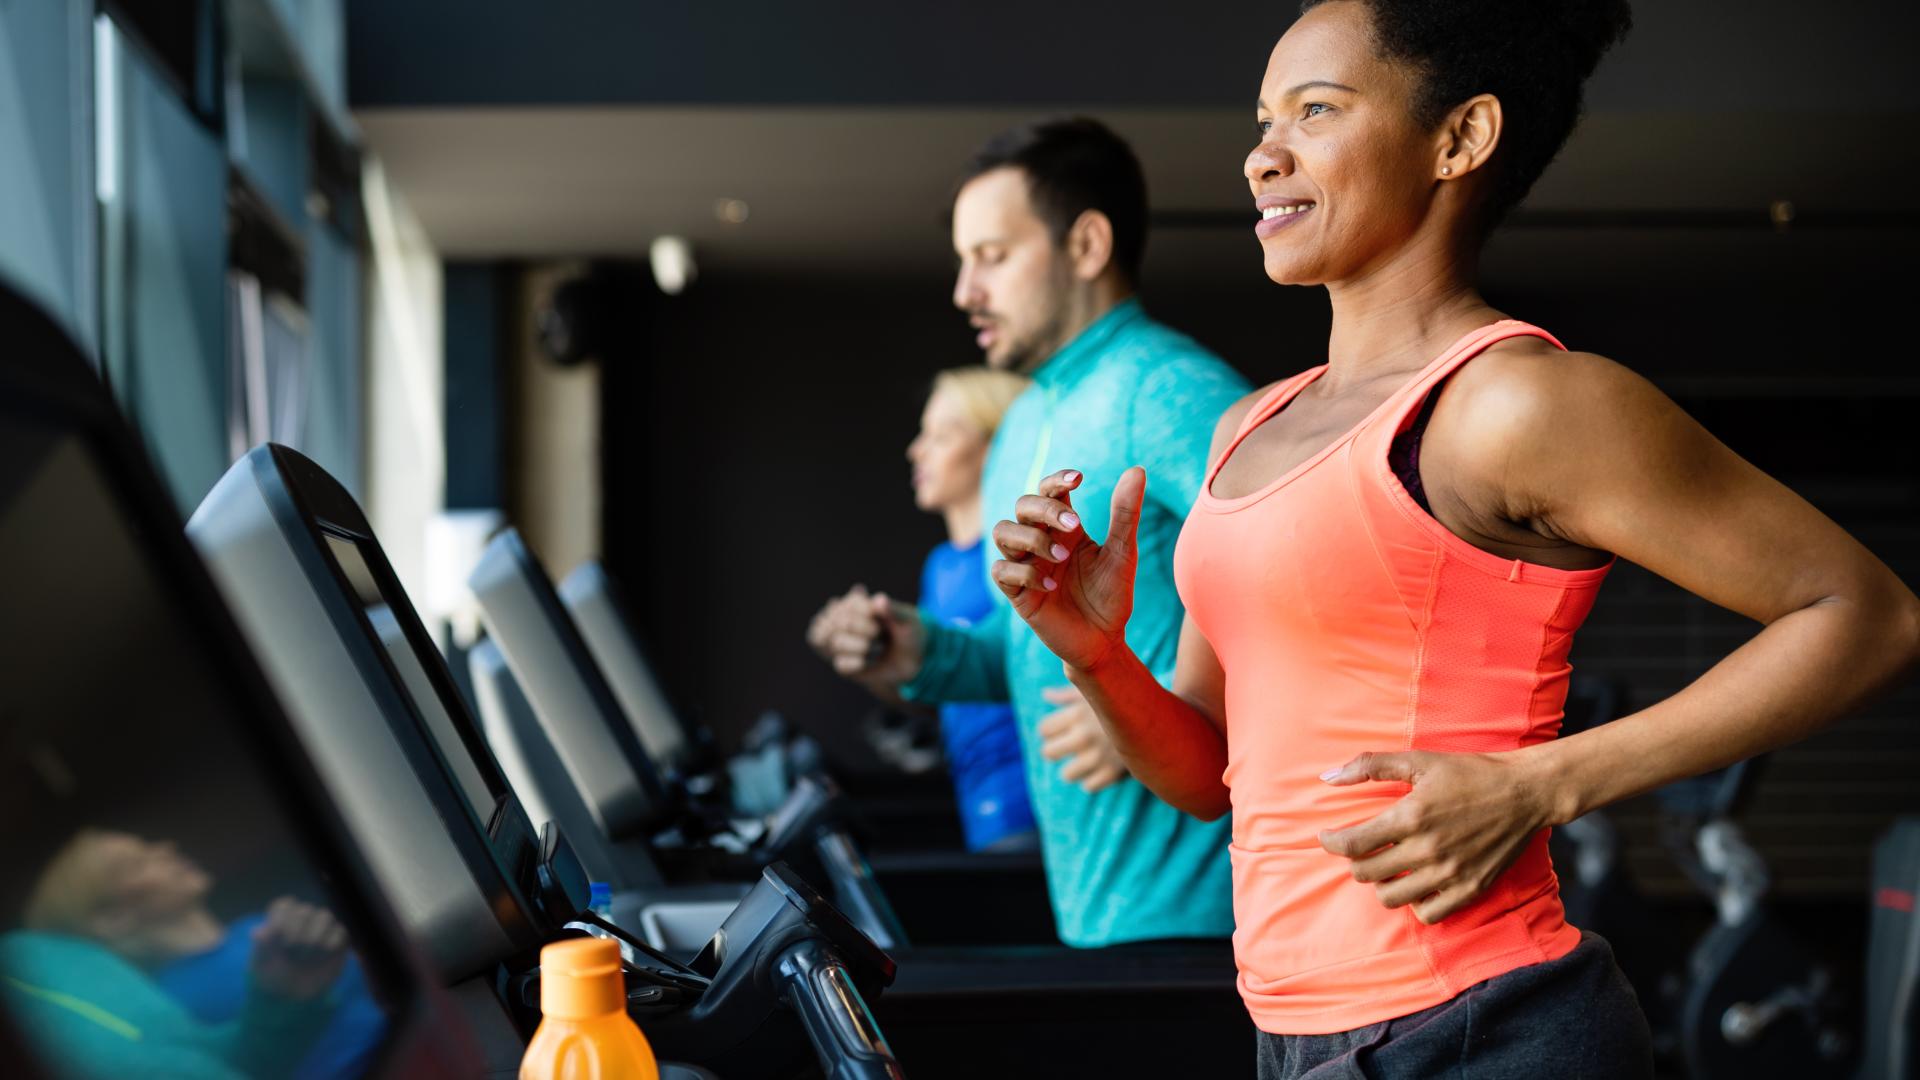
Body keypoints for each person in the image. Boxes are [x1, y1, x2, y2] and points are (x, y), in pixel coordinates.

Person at [985, 2, 1920, 1076]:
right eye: (1262, 118)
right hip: (1293, 1036)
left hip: (1484, 1026)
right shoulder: (1251, 427)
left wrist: (1544, 784)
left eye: (1316, 111)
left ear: (1460, 140)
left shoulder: (1511, 406)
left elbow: (1868, 614)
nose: (1261, 155)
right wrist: (1094, 653)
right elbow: (1209, 772)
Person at [808, 118, 1250, 947]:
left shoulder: (1167, 386)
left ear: (1086, 245)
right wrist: (918, 652)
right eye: (963, 259)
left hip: (1203, 922)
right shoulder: (1026, 419)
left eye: (993, 256)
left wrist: (1144, 705)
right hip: (1092, 915)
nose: (964, 290)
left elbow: (1290, 568)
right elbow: (1030, 662)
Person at [813, 367, 1039, 851]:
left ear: (999, 446)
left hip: (1031, 802)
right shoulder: (942, 566)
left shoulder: (1021, 557)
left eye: (942, 436)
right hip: (976, 801)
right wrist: (867, 660)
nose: (917, 450)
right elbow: (938, 692)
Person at [9, 828, 382, 1080]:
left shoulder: (259, 931)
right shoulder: (179, 994)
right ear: (113, 918)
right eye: (138, 862)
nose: (167, 849)